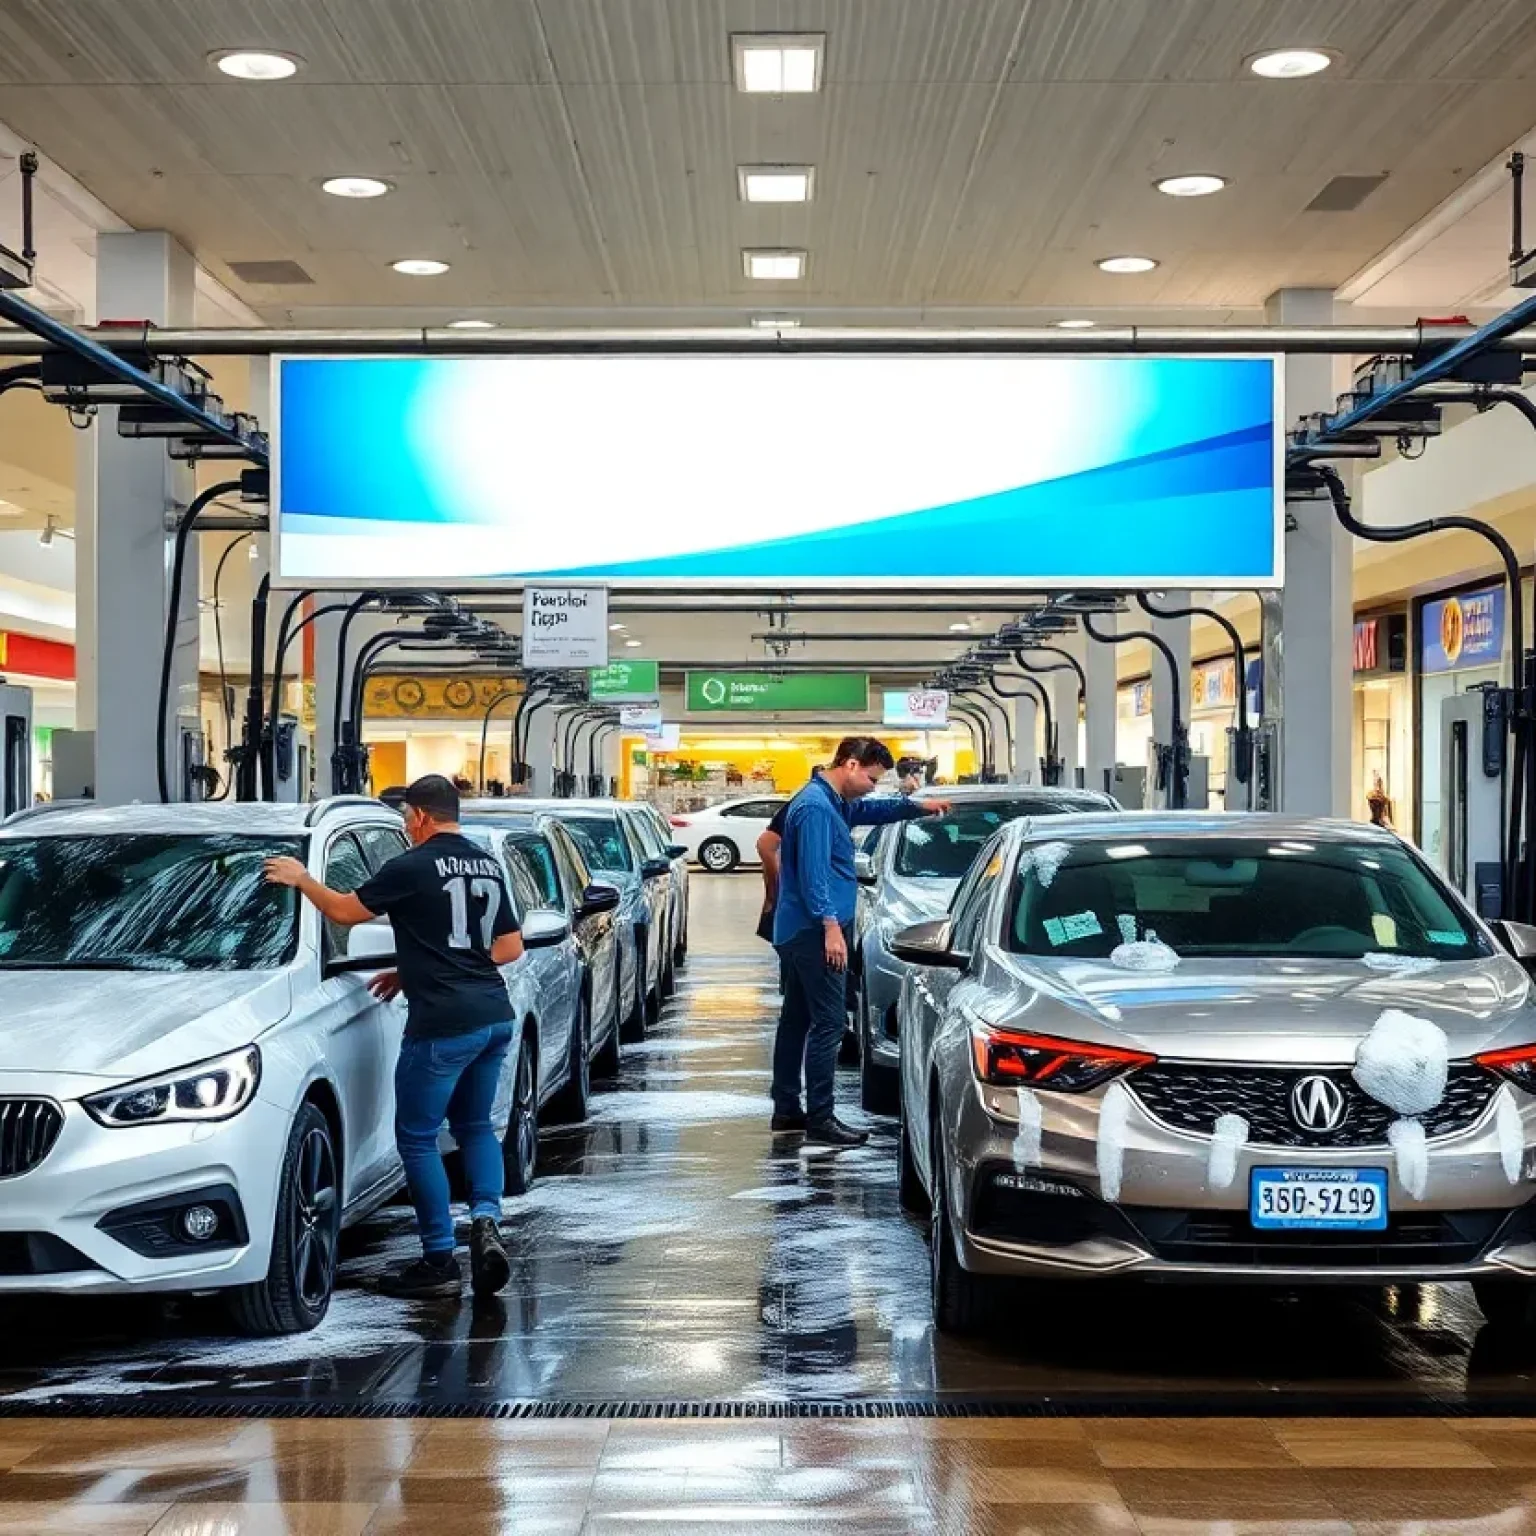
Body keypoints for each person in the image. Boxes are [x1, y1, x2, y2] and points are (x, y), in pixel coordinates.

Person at [264, 774, 524, 1301]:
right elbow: (510, 947)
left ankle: (438, 1260)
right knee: (475, 1125)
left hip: (444, 1025)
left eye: (407, 818)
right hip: (494, 1014)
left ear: (423, 816)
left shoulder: (410, 865)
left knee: (418, 1136)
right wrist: (419, 969)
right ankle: (486, 1223)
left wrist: (300, 878)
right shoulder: (485, 863)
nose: (406, 828)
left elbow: (342, 911)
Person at [772, 738, 947, 1146]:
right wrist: (831, 927)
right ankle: (820, 1117)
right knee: (830, 1021)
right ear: (851, 765)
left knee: (797, 1019)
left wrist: (915, 807)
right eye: (871, 778)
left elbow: (870, 809)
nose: (872, 786)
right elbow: (815, 875)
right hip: (814, 932)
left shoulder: (830, 799)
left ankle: (786, 1108)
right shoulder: (816, 809)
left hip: (800, 929)